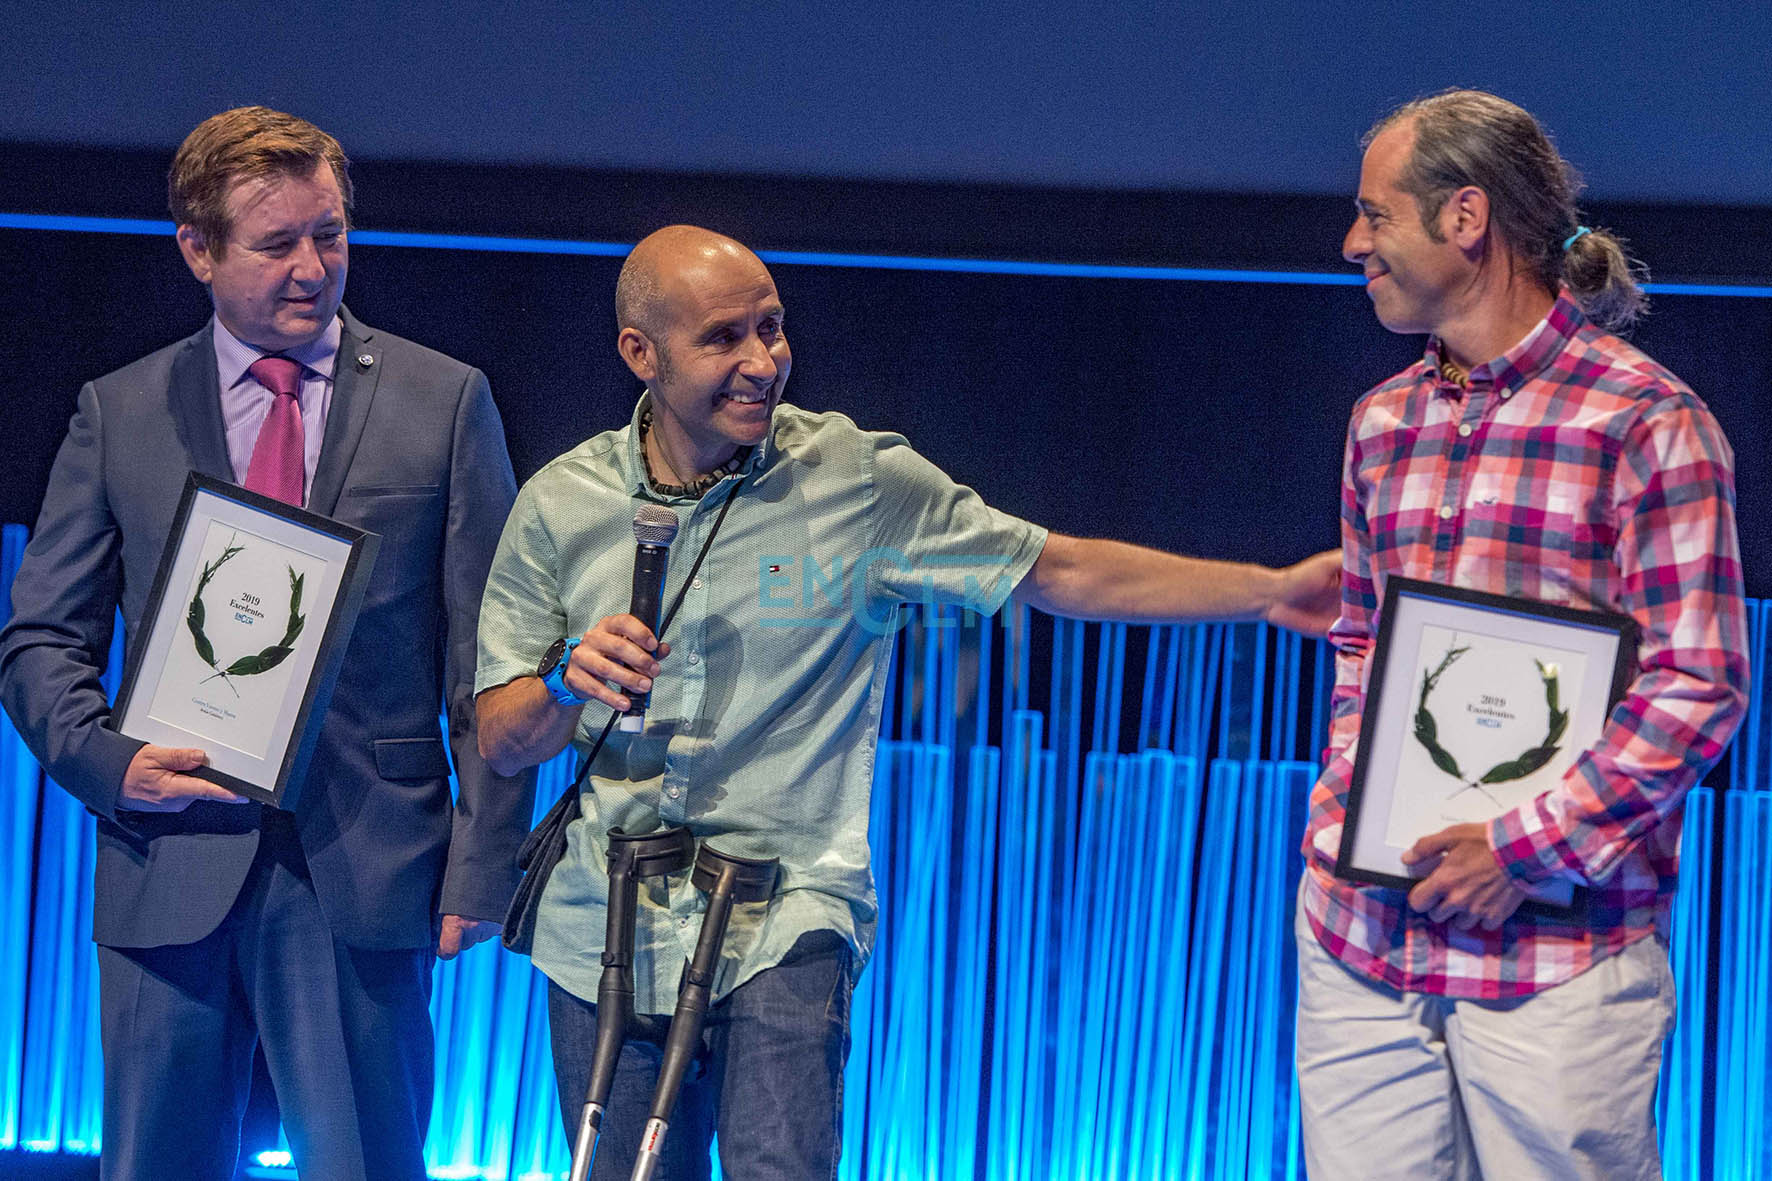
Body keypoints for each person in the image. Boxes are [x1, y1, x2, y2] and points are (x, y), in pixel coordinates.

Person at [473, 223, 1342, 1179]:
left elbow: (1059, 571)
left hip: (784, 909)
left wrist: (1266, 591)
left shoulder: (856, 479)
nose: (763, 361)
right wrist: (565, 677)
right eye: (725, 338)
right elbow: (503, 740)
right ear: (641, 352)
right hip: (605, 918)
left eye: (773, 327)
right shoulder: (561, 502)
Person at [0, 107, 535, 1179]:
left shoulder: (443, 402)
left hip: (365, 857)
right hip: (170, 852)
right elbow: (38, 639)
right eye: (276, 242)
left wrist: (483, 862)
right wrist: (111, 763)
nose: (312, 267)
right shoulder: (121, 409)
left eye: (329, 235)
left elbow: (490, 651)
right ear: (196, 249)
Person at [1296, 89, 1749, 1179]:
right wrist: (1354, 804)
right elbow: (1360, 639)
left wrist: (1517, 850)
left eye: (1373, 214)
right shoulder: (1380, 422)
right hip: (1362, 939)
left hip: (1554, 951)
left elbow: (1698, 679)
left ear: (1463, 219)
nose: (1351, 242)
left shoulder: (1643, 420)